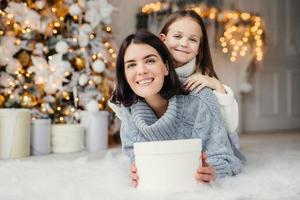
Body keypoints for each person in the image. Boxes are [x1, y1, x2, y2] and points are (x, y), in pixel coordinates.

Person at [110, 30, 242, 188]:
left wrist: (213, 170)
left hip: (224, 138)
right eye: (131, 65)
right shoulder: (128, 108)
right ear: (124, 74)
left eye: (150, 61)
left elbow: (226, 158)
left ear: (166, 67)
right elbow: (133, 154)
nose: (141, 70)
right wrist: (135, 169)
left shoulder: (200, 98)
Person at [159, 9, 240, 149]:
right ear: (163, 39)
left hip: (204, 142)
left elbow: (230, 125)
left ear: (198, 49)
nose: (184, 44)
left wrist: (217, 85)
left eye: (192, 39)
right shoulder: (150, 72)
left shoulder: (204, 79)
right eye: (177, 36)